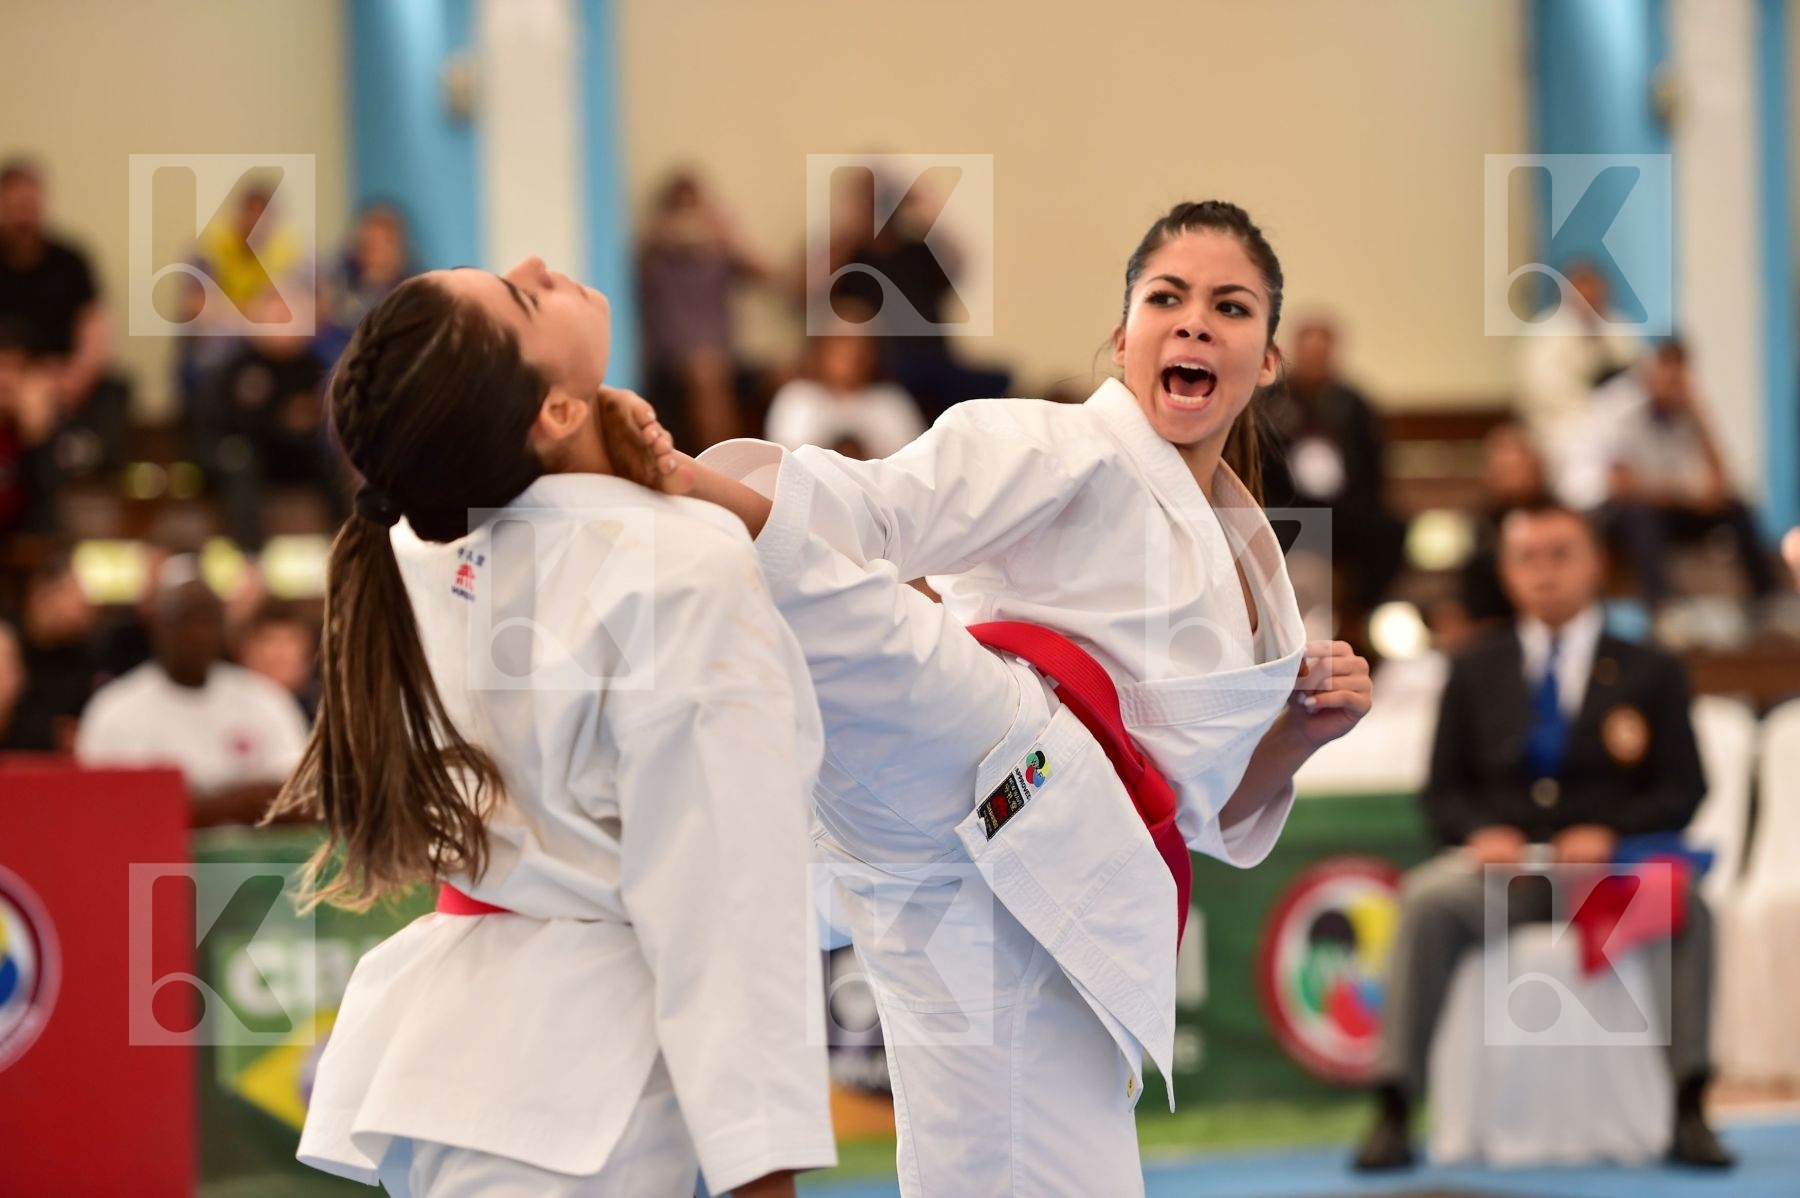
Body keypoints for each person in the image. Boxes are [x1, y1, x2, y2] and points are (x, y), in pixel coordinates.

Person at [628, 200, 1374, 1196]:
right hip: (983, 763)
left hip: (1063, 882)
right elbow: (870, 513)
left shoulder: (1249, 571)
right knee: (871, 621)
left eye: (1230, 307)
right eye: (1168, 297)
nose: (1195, 321)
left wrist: (1303, 733)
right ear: (1122, 339)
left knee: (1036, 1168)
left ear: (1267, 358)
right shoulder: (1055, 442)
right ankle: (646, 487)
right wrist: (677, 475)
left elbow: (1210, 812)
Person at [271, 258, 833, 1198]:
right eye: (524, 298)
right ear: (555, 412)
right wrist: (763, 1176)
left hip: (457, 1071)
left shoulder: (412, 543)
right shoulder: (676, 562)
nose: (535, 265)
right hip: (600, 1109)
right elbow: (728, 897)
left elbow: (531, 495)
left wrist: (615, 459)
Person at [1354, 501, 1732, 1171]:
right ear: (1505, 569)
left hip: (1611, 882)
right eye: (1527, 558)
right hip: (1506, 878)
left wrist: (1612, 833)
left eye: (1561, 555)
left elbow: (1685, 789)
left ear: (1594, 564)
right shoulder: (1472, 669)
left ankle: (1690, 1108)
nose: (1544, 573)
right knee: (1424, 901)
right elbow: (1442, 794)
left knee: (1689, 908)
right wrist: (1481, 834)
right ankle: (1393, 1106)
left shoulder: (1651, 669)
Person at [74, 557, 310, 826]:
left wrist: (194, 806)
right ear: (158, 625)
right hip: (152, 864)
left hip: (259, 864)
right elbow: (115, 812)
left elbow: (300, 799)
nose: (198, 634)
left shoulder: (266, 700)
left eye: (208, 620)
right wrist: (238, 802)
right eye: (186, 620)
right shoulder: (114, 711)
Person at [1600, 340, 1778, 612]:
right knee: (1642, 514)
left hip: (1672, 510)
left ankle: (1769, 600)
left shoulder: (1688, 416)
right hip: (1623, 516)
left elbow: (1721, 480)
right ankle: (1664, 609)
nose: (1672, 384)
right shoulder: (1624, 412)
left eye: (1679, 377)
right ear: (1650, 375)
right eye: (1665, 375)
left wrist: (1700, 415)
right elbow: (1620, 486)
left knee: (1737, 507)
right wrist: (1682, 497)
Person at [1259, 314, 1407, 639]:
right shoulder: (1268, 403)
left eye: (1322, 353)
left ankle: (1362, 614)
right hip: (1287, 509)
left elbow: (1372, 469)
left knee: (1389, 530)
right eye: (1308, 352)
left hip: (1344, 510)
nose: (1315, 361)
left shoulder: (1354, 404)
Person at [0, 158, 129, 472]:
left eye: (31, 203)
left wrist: (77, 375)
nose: (24, 214)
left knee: (43, 400)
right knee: (32, 402)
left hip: (59, 374)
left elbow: (94, 325)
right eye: (16, 204)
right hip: (9, 376)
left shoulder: (70, 260)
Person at [1516, 260, 1641, 508]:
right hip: (1562, 429)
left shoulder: (1620, 330)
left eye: (1593, 288)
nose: (1588, 297)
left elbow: (1637, 380)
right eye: (1580, 289)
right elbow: (1545, 394)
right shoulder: (1543, 337)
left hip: (1617, 428)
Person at [764, 319, 924, 459]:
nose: (850, 352)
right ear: (820, 349)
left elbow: (910, 465)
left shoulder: (892, 402)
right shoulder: (797, 398)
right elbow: (786, 462)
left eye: (860, 344)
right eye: (841, 341)